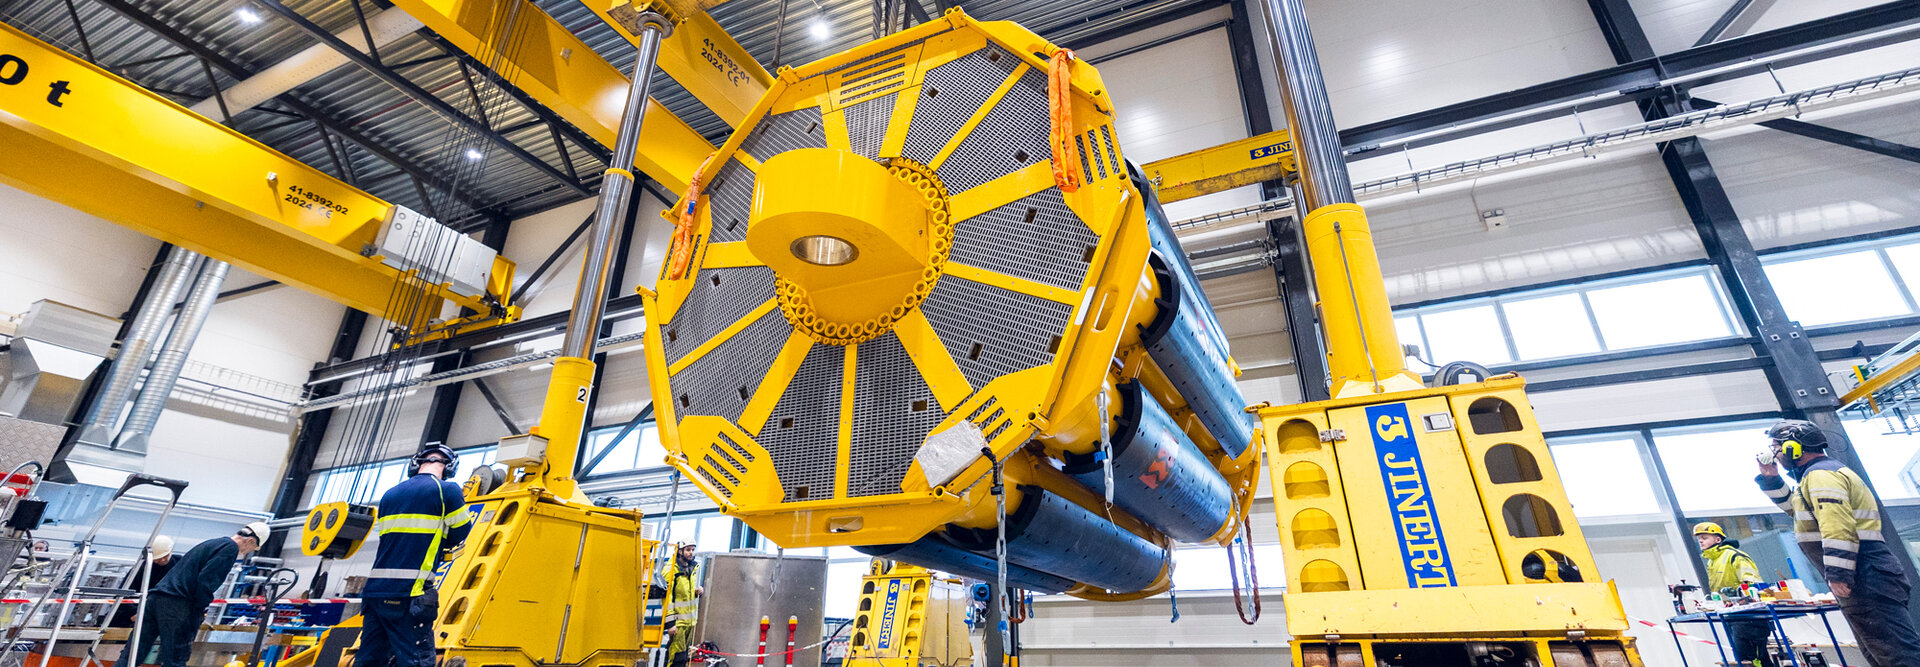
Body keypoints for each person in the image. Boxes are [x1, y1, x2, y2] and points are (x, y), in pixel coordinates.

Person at [1755, 419, 1920, 667]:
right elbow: (1799, 512)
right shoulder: (1814, 477)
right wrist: (1771, 480)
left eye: (1777, 447)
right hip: (1865, 573)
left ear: (1793, 448)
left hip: (1865, 572)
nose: (1775, 454)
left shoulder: (1821, 475)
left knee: (1896, 654)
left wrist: (1839, 573)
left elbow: (1837, 525)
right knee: (1879, 653)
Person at [360, 444, 471, 667]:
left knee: (369, 660)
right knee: (416, 661)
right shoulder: (447, 490)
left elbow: (390, 538)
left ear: (416, 464)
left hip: (375, 593)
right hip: (410, 592)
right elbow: (461, 530)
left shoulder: (390, 494)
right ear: (450, 468)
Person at [129, 524, 266, 667]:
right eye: (252, 549)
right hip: (177, 605)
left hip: (154, 600)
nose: (246, 553)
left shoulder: (212, 542)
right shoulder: (230, 548)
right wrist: (199, 609)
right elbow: (206, 581)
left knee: (133, 655)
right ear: (250, 541)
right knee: (175, 660)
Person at [1693, 522, 1775, 667]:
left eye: (1705, 537)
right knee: (1745, 659)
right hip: (1732, 617)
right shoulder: (1713, 561)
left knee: (1755, 660)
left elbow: (1752, 584)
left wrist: (1736, 594)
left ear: (1718, 539)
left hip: (1749, 618)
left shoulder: (1734, 556)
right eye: (1699, 538)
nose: (1700, 541)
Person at [111, 535, 176, 628]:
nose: (162, 559)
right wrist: (133, 613)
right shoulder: (142, 568)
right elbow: (123, 593)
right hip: (135, 616)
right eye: (158, 558)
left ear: (171, 550)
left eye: (165, 556)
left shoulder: (179, 565)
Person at [653, 543, 701, 667]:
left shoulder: (692, 569)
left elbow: (685, 594)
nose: (691, 553)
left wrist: (697, 591)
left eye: (693, 550)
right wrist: (670, 623)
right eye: (688, 550)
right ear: (680, 551)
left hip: (689, 622)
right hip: (678, 622)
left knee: (683, 657)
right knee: (676, 659)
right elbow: (667, 598)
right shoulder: (671, 570)